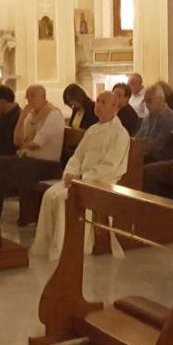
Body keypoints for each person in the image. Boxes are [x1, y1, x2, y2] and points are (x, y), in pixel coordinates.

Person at [31, 91, 130, 261]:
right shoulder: (92, 129)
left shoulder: (120, 134)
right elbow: (78, 156)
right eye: (97, 101)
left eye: (103, 102)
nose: (98, 105)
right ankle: (46, 245)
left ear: (115, 108)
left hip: (101, 182)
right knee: (50, 195)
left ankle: (66, 247)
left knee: (64, 199)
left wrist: (83, 178)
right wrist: (71, 173)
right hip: (79, 178)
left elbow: (110, 166)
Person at [0, 85, 65, 221]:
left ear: (43, 97)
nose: (29, 99)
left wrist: (22, 146)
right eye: (27, 96)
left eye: (33, 95)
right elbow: (17, 140)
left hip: (47, 165)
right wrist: (22, 117)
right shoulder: (31, 115)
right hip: (30, 160)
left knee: (0, 168)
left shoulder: (53, 115)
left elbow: (36, 144)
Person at [135, 83, 173, 163]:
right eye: (145, 101)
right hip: (147, 156)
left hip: (161, 159)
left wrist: (139, 144)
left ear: (161, 99)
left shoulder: (170, 118)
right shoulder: (148, 118)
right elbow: (138, 137)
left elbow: (157, 146)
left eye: (149, 101)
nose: (146, 105)